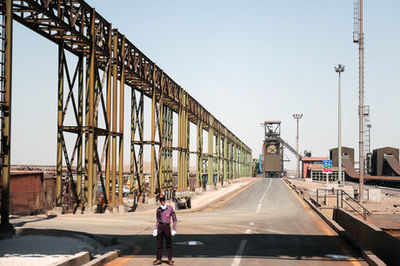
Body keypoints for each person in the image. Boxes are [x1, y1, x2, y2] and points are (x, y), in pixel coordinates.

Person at [153, 194, 177, 265]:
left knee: (168, 244)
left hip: (167, 226)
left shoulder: (170, 208)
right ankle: (159, 259)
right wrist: (156, 229)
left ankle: (169, 259)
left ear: (165, 200)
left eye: (163, 200)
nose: (162, 201)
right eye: (161, 200)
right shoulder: (158, 210)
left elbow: (175, 219)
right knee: (159, 244)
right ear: (159, 201)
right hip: (160, 226)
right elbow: (157, 220)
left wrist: (174, 229)